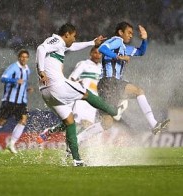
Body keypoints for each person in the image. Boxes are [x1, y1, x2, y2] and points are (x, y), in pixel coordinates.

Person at [35, 23, 126, 166]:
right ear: (66, 35)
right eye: (74, 36)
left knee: (69, 122)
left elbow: (73, 46)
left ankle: (77, 160)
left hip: (46, 92)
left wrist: (92, 42)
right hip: (56, 85)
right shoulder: (56, 40)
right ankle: (114, 111)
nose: (74, 39)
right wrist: (41, 71)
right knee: (85, 93)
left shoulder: (60, 45)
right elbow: (41, 48)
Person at [97, 21, 170, 134]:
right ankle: (79, 140)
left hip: (114, 83)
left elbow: (141, 52)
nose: (131, 35)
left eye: (132, 33)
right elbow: (102, 48)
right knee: (107, 122)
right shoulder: (117, 40)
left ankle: (154, 125)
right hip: (108, 82)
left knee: (108, 122)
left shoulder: (124, 48)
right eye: (129, 32)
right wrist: (118, 57)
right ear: (120, 32)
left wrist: (144, 39)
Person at [0, 49, 33, 155]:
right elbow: (3, 78)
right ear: (18, 57)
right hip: (9, 100)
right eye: (22, 57)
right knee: (1, 121)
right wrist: (15, 80)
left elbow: (22, 84)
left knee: (23, 120)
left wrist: (26, 88)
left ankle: (11, 143)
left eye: (26, 57)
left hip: (21, 101)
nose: (24, 59)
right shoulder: (13, 67)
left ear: (28, 58)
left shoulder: (27, 69)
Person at [69, 46, 103, 129]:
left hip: (94, 100)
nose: (97, 55)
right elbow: (71, 79)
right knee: (77, 122)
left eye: (100, 53)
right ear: (90, 53)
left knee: (88, 125)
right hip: (82, 98)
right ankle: (50, 133)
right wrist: (78, 83)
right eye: (95, 53)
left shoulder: (102, 68)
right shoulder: (83, 64)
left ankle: (80, 141)